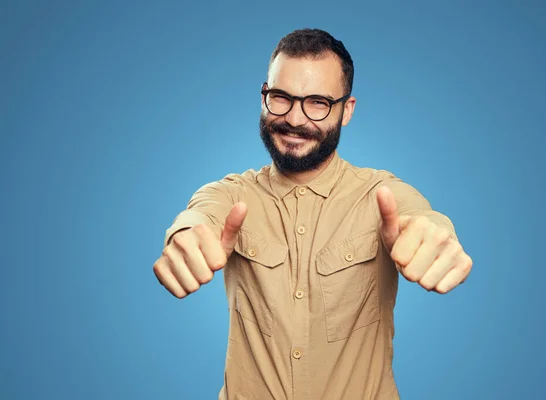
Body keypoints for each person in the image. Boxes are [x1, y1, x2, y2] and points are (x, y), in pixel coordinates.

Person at [153, 28, 473, 400]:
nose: (294, 118)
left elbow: (419, 216)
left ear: (346, 110)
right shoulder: (231, 193)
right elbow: (200, 215)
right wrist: (185, 235)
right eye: (281, 97)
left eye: (318, 102)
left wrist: (434, 233)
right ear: (263, 97)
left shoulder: (380, 193)